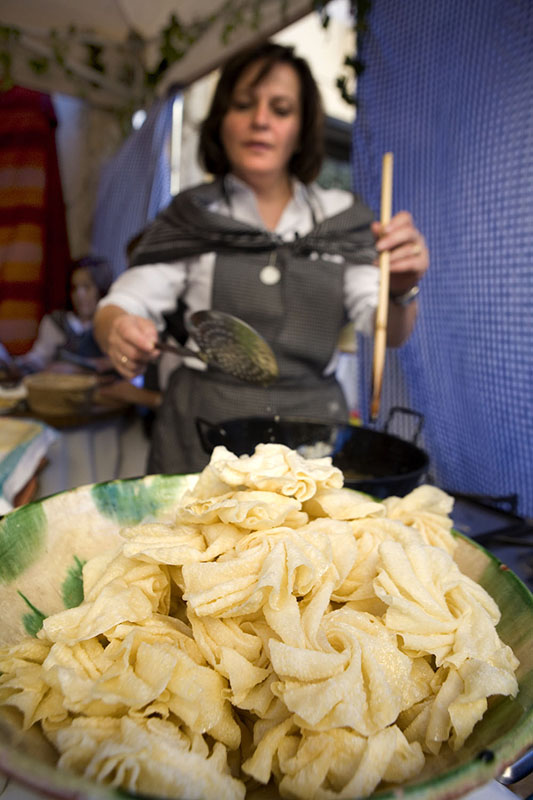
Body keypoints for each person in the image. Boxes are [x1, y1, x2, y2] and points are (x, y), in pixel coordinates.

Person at [93, 41, 429, 475]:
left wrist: (401, 289)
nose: (260, 121)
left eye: (281, 109)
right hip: (202, 442)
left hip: (313, 445)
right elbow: (124, 304)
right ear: (221, 121)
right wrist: (118, 329)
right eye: (243, 104)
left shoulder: (343, 218)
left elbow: (387, 330)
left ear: (301, 127)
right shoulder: (193, 216)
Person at [13, 256, 114, 376]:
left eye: (87, 287)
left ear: (101, 289)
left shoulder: (111, 322)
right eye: (74, 288)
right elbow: (40, 357)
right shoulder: (57, 321)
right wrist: (19, 364)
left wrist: (76, 369)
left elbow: (114, 364)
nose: (79, 295)